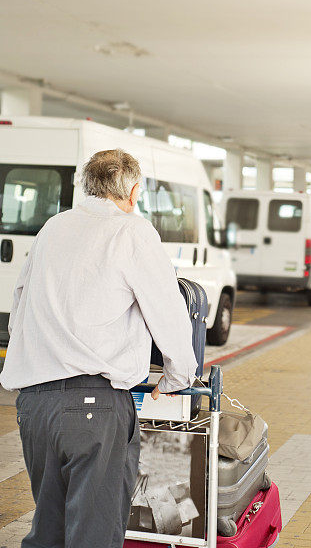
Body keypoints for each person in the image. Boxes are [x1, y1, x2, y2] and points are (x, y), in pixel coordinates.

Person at [0, 149, 198, 548]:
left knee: (49, 530)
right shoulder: (132, 231)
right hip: (95, 407)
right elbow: (168, 311)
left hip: (35, 406)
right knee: (94, 534)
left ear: (85, 186)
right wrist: (178, 377)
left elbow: (18, 306)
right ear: (135, 191)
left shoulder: (52, 228)